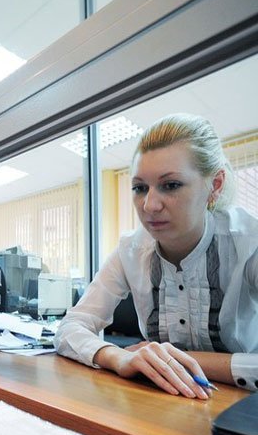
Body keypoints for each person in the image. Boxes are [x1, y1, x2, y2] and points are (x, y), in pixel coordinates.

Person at [54, 113, 258, 398]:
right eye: (140, 188)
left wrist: (177, 360)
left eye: (170, 185)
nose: (149, 205)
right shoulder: (131, 250)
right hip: (158, 398)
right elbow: (70, 327)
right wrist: (120, 358)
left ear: (215, 185)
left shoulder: (249, 243)